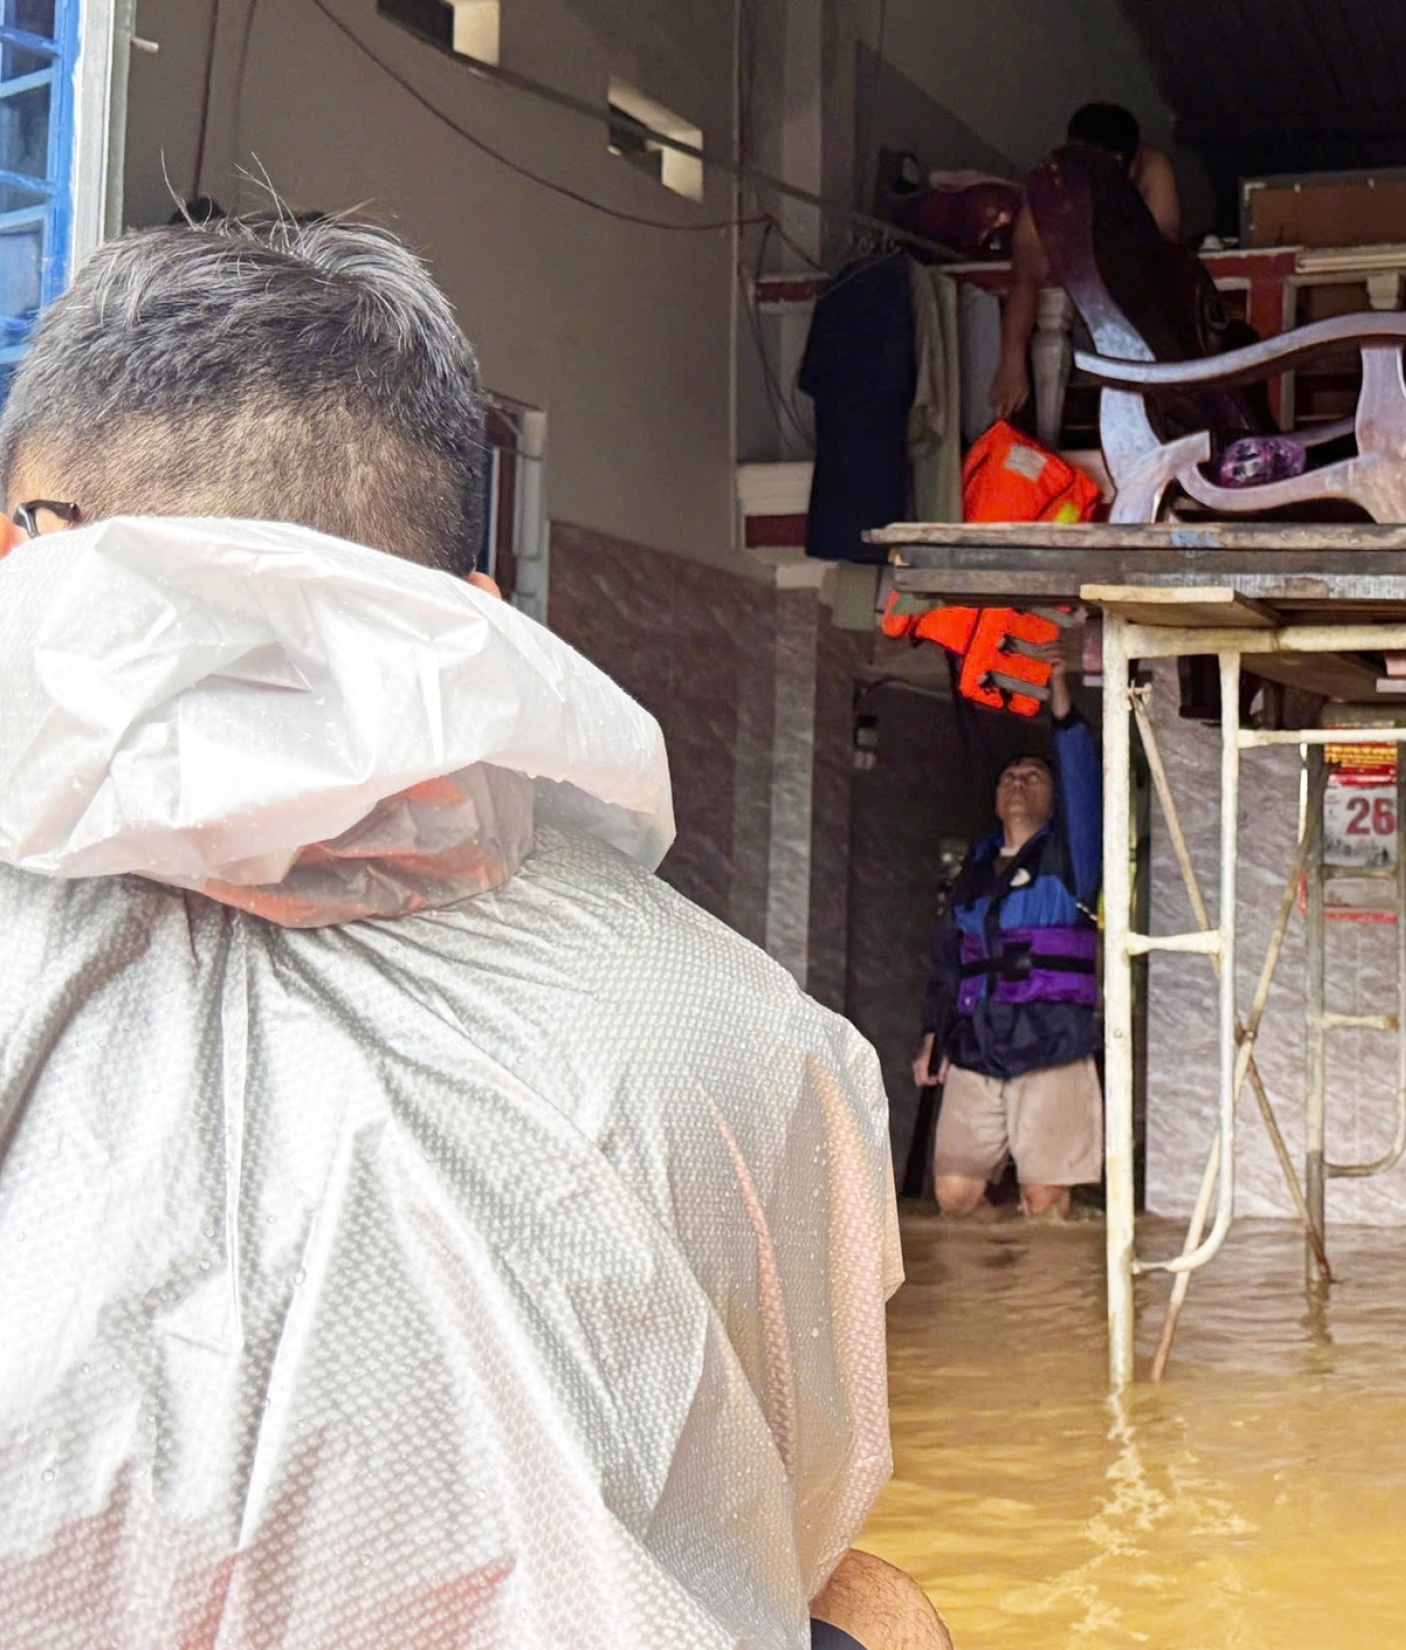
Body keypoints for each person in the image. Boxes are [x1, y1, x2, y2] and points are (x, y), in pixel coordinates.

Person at [0, 217, 947, 1650]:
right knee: (874, 1608)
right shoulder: (754, 1033)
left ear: (30, 548)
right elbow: (786, 1524)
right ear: (473, 610)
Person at [915, 640, 1103, 1218]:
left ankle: (1040, 1299)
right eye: (1010, 777)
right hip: (978, 1043)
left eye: (1034, 776)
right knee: (954, 1195)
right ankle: (992, 1295)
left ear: (1053, 800)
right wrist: (933, 1037)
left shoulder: (1072, 862)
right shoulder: (973, 874)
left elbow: (1083, 785)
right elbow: (950, 962)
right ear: (996, 802)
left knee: (1044, 1199)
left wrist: (1061, 702)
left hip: (1052, 1040)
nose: (1019, 782)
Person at [988, 101, 1182, 424]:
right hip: (1080, 315)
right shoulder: (1053, 182)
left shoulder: (1152, 168)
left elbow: (1166, 247)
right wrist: (1011, 363)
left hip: (1139, 304)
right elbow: (1026, 275)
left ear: (1127, 165)